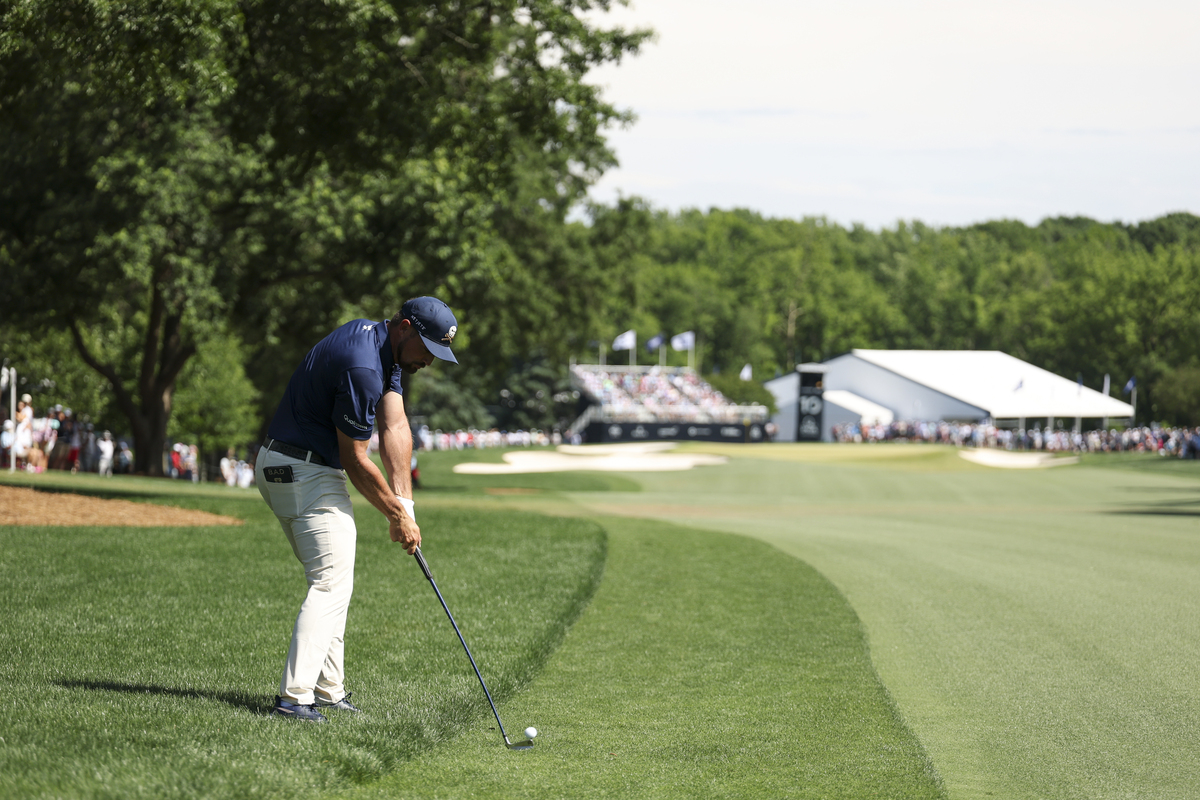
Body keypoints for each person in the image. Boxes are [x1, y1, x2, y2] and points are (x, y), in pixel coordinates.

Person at [256, 296, 458, 723]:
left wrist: (405, 507)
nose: (429, 361)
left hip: (289, 466)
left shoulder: (383, 349)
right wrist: (395, 517)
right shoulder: (363, 368)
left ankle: (329, 690)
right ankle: (294, 699)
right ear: (405, 327)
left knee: (334, 579)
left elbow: (395, 425)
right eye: (427, 350)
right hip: (304, 471)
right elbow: (354, 458)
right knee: (330, 583)